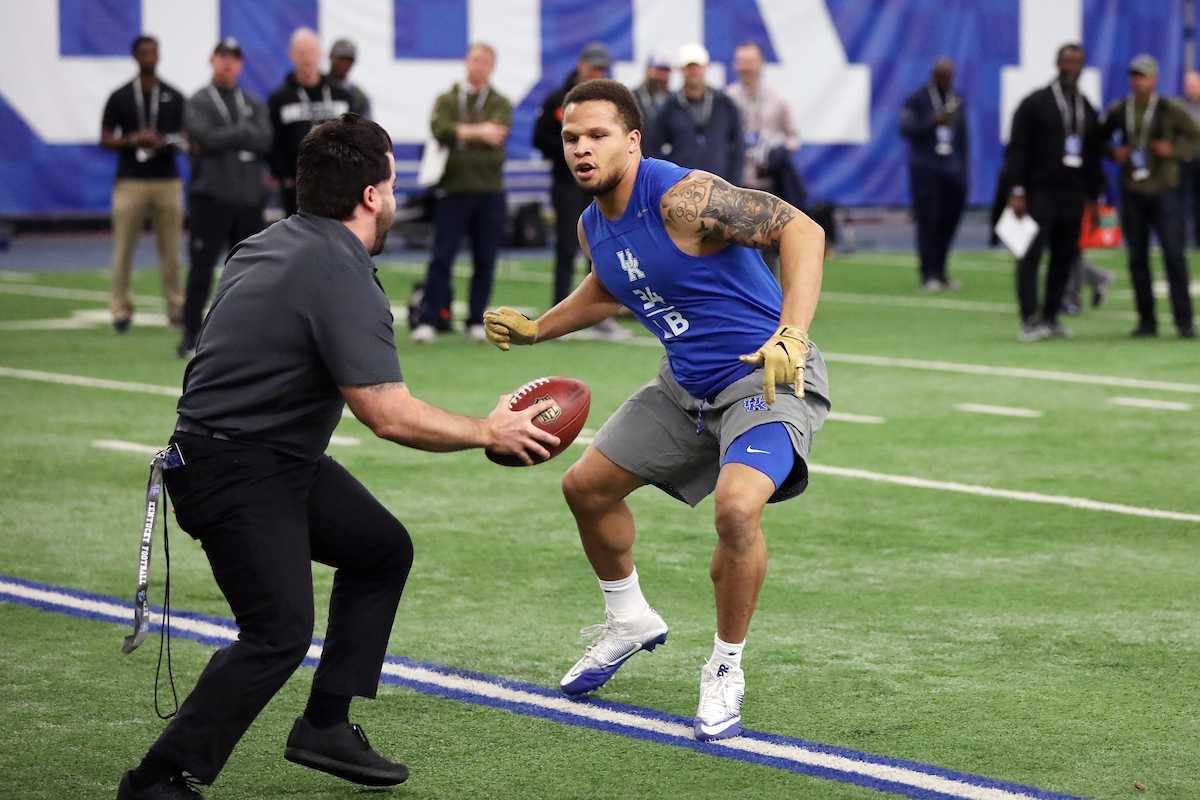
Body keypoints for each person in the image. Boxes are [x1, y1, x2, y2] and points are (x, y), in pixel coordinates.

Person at [116, 113, 557, 800]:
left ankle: (324, 723)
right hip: (236, 468)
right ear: (372, 195)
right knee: (277, 632)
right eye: (393, 182)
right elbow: (386, 413)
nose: (396, 195)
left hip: (259, 454)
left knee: (380, 549)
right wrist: (487, 431)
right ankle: (158, 779)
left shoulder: (267, 242)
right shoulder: (338, 268)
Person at [483, 80, 830, 741]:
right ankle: (629, 619)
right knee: (585, 489)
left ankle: (725, 665)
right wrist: (537, 329)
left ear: (633, 141)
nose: (581, 149)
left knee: (737, 509)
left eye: (597, 135)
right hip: (685, 387)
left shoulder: (682, 198)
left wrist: (793, 332)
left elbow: (802, 231)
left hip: (765, 375)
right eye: (571, 138)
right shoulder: (591, 224)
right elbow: (611, 286)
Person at [176, 37, 272, 360]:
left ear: (240, 64)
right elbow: (203, 137)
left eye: (234, 58)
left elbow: (265, 140)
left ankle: (252, 336)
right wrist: (244, 133)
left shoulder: (251, 101)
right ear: (212, 60)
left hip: (248, 199)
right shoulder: (199, 100)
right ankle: (190, 334)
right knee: (201, 268)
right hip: (212, 198)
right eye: (223, 57)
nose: (228, 64)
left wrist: (225, 138)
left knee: (253, 272)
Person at [410, 43, 512, 344]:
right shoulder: (448, 99)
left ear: (492, 67)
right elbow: (440, 130)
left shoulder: (500, 101)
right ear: (466, 62)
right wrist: (479, 132)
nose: (479, 66)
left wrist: (460, 132)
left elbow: (499, 132)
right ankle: (430, 319)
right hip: (452, 189)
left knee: (485, 258)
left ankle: (476, 320)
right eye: (475, 60)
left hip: (490, 190)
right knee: (442, 256)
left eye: (485, 62)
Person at [1002, 43, 1105, 341]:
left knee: (1065, 256)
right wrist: (1016, 190)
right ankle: (1029, 319)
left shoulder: (1085, 107)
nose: (1072, 68)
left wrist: (1096, 196)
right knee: (1030, 255)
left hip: (1073, 194)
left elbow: (1093, 154)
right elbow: (1017, 149)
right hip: (1038, 192)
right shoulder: (1035, 103)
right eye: (1067, 62)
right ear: (1057, 64)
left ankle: (1051, 316)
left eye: (1078, 63)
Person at [532, 41, 631, 341]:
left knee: (603, 248)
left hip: (602, 186)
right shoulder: (558, 100)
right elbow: (540, 138)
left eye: (602, 69)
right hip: (568, 184)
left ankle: (600, 316)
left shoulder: (609, 105)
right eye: (593, 67)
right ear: (581, 65)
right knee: (566, 246)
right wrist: (573, 150)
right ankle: (558, 314)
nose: (597, 73)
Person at [1099, 55, 1200, 338]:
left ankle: (1184, 322)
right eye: (1134, 76)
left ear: (1154, 79)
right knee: (1137, 258)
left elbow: (1195, 136)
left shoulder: (1170, 109)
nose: (1137, 81)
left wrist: (1174, 151)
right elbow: (1098, 138)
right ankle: (1146, 321)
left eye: (1142, 76)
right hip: (1133, 190)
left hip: (1165, 190)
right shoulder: (1121, 109)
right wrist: (1113, 152)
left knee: (1173, 255)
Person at [100, 34, 186, 333]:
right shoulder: (121, 96)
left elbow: (186, 136)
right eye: (144, 52)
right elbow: (105, 138)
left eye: (154, 52)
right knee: (123, 249)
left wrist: (165, 142)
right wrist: (134, 139)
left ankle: (176, 310)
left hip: (167, 180)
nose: (150, 57)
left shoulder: (173, 95)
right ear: (135, 57)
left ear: (159, 55)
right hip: (130, 180)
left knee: (172, 251)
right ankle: (120, 311)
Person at [725, 41, 805, 276]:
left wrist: (779, 154)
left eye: (750, 62)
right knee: (735, 246)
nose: (745, 67)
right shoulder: (728, 99)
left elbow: (793, 137)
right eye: (741, 62)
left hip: (767, 184)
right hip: (736, 183)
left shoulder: (776, 100)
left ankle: (770, 295)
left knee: (769, 244)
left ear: (761, 65)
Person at [900, 58, 968, 293]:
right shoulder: (917, 99)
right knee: (928, 222)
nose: (946, 80)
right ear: (933, 75)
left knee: (949, 222)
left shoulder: (956, 99)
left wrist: (963, 169)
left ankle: (941, 271)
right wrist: (932, 122)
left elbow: (963, 137)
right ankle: (927, 273)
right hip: (926, 170)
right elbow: (906, 129)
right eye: (942, 76)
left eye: (949, 76)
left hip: (952, 169)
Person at [268, 29, 351, 217]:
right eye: (302, 53)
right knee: (301, 232)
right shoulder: (280, 98)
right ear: (291, 56)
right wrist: (284, 176)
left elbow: (353, 136)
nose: (307, 59)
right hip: (297, 186)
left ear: (321, 55)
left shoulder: (341, 95)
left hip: (338, 183)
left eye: (312, 53)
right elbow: (273, 140)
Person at [648, 43, 743, 182]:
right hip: (682, 186)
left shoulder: (723, 103)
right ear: (681, 69)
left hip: (719, 185)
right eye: (689, 67)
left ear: (706, 67)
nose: (694, 71)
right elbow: (655, 147)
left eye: (697, 66)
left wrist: (733, 184)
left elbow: (738, 146)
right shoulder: (670, 106)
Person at [1178, 71, 1200, 246]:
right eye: (1188, 86)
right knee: (1181, 203)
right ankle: (1180, 240)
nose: (1191, 89)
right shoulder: (1179, 109)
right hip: (1184, 163)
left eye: (1194, 85)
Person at [631, 52, 672, 145]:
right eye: (659, 70)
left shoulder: (675, 100)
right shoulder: (632, 98)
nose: (662, 76)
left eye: (666, 71)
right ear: (648, 69)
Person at [328, 38, 371, 118]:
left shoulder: (358, 97)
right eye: (341, 59)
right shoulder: (314, 87)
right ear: (331, 56)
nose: (344, 64)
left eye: (349, 60)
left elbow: (366, 123)